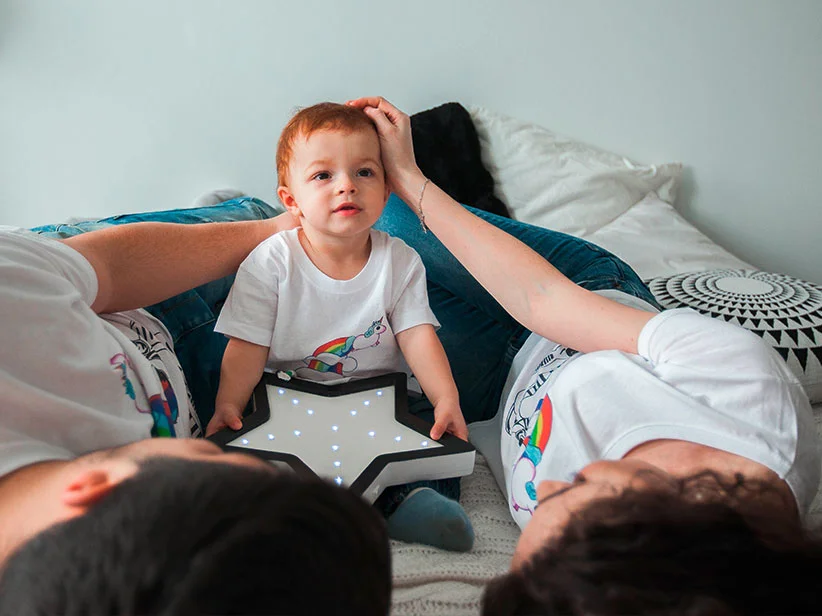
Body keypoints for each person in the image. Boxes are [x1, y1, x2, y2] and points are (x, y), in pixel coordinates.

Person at [344, 96, 822, 613]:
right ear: (659, 531)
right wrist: (408, 174)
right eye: (571, 490)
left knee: (340, 254)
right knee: (381, 209)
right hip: (577, 298)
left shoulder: (581, 583)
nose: (546, 483)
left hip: (491, 393)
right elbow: (544, 300)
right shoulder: (749, 396)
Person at [0, 203, 392, 616]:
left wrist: (271, 230)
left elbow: (111, 266)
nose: (224, 451)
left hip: (121, 292)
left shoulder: (17, 299)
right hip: (194, 399)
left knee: (307, 225)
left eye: (211, 454)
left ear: (96, 486)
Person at [206, 102, 473, 552]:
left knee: (435, 445)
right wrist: (228, 405)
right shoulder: (272, 261)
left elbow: (418, 336)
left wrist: (446, 398)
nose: (347, 185)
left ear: (386, 192)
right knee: (255, 457)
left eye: (364, 172)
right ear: (291, 201)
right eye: (323, 175)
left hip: (383, 402)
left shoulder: (399, 260)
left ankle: (409, 505)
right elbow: (247, 345)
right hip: (287, 400)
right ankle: (288, 512)